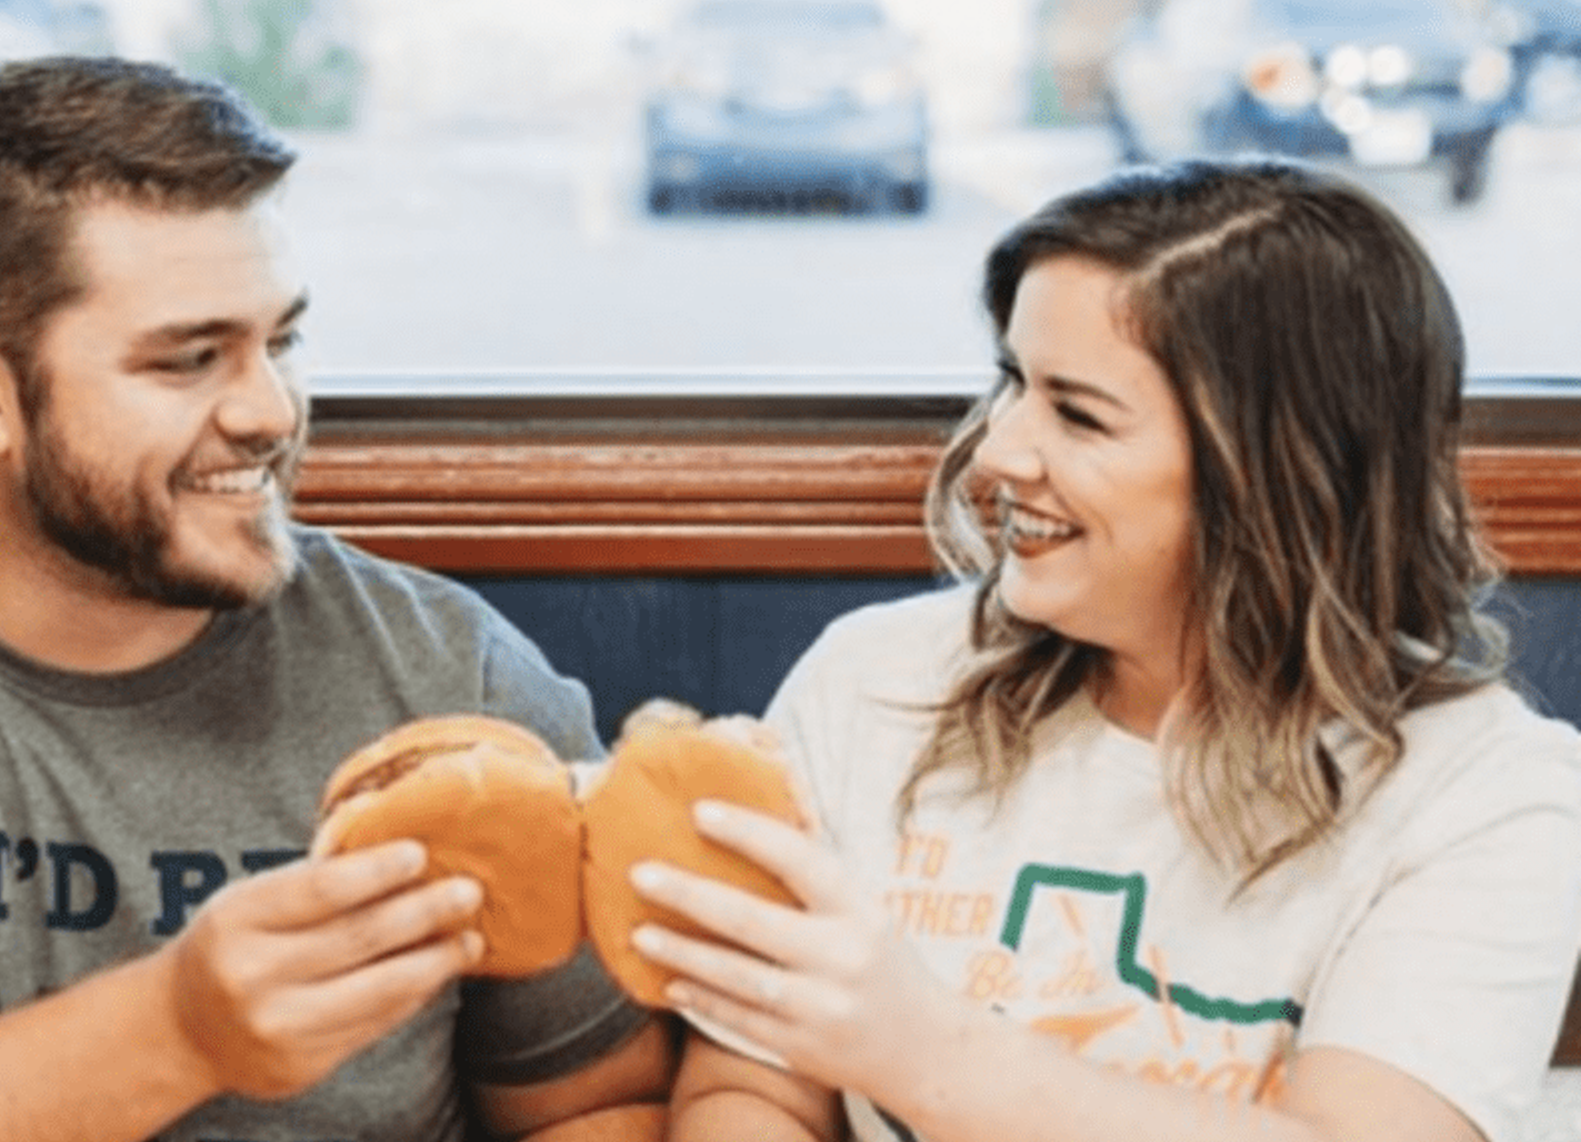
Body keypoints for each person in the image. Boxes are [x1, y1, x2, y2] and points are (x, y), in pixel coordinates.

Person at [0, 57, 672, 1142]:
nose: (269, 412)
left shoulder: (449, 681)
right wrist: (175, 1032)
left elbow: (597, 1106)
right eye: (189, 360)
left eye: (279, 342)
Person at [628, 158, 1581, 1142]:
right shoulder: (870, 680)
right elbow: (749, 1090)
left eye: (1077, 414)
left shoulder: (1485, 796)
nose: (997, 452)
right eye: (1010, 383)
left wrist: (925, 1052)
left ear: (1275, 475)